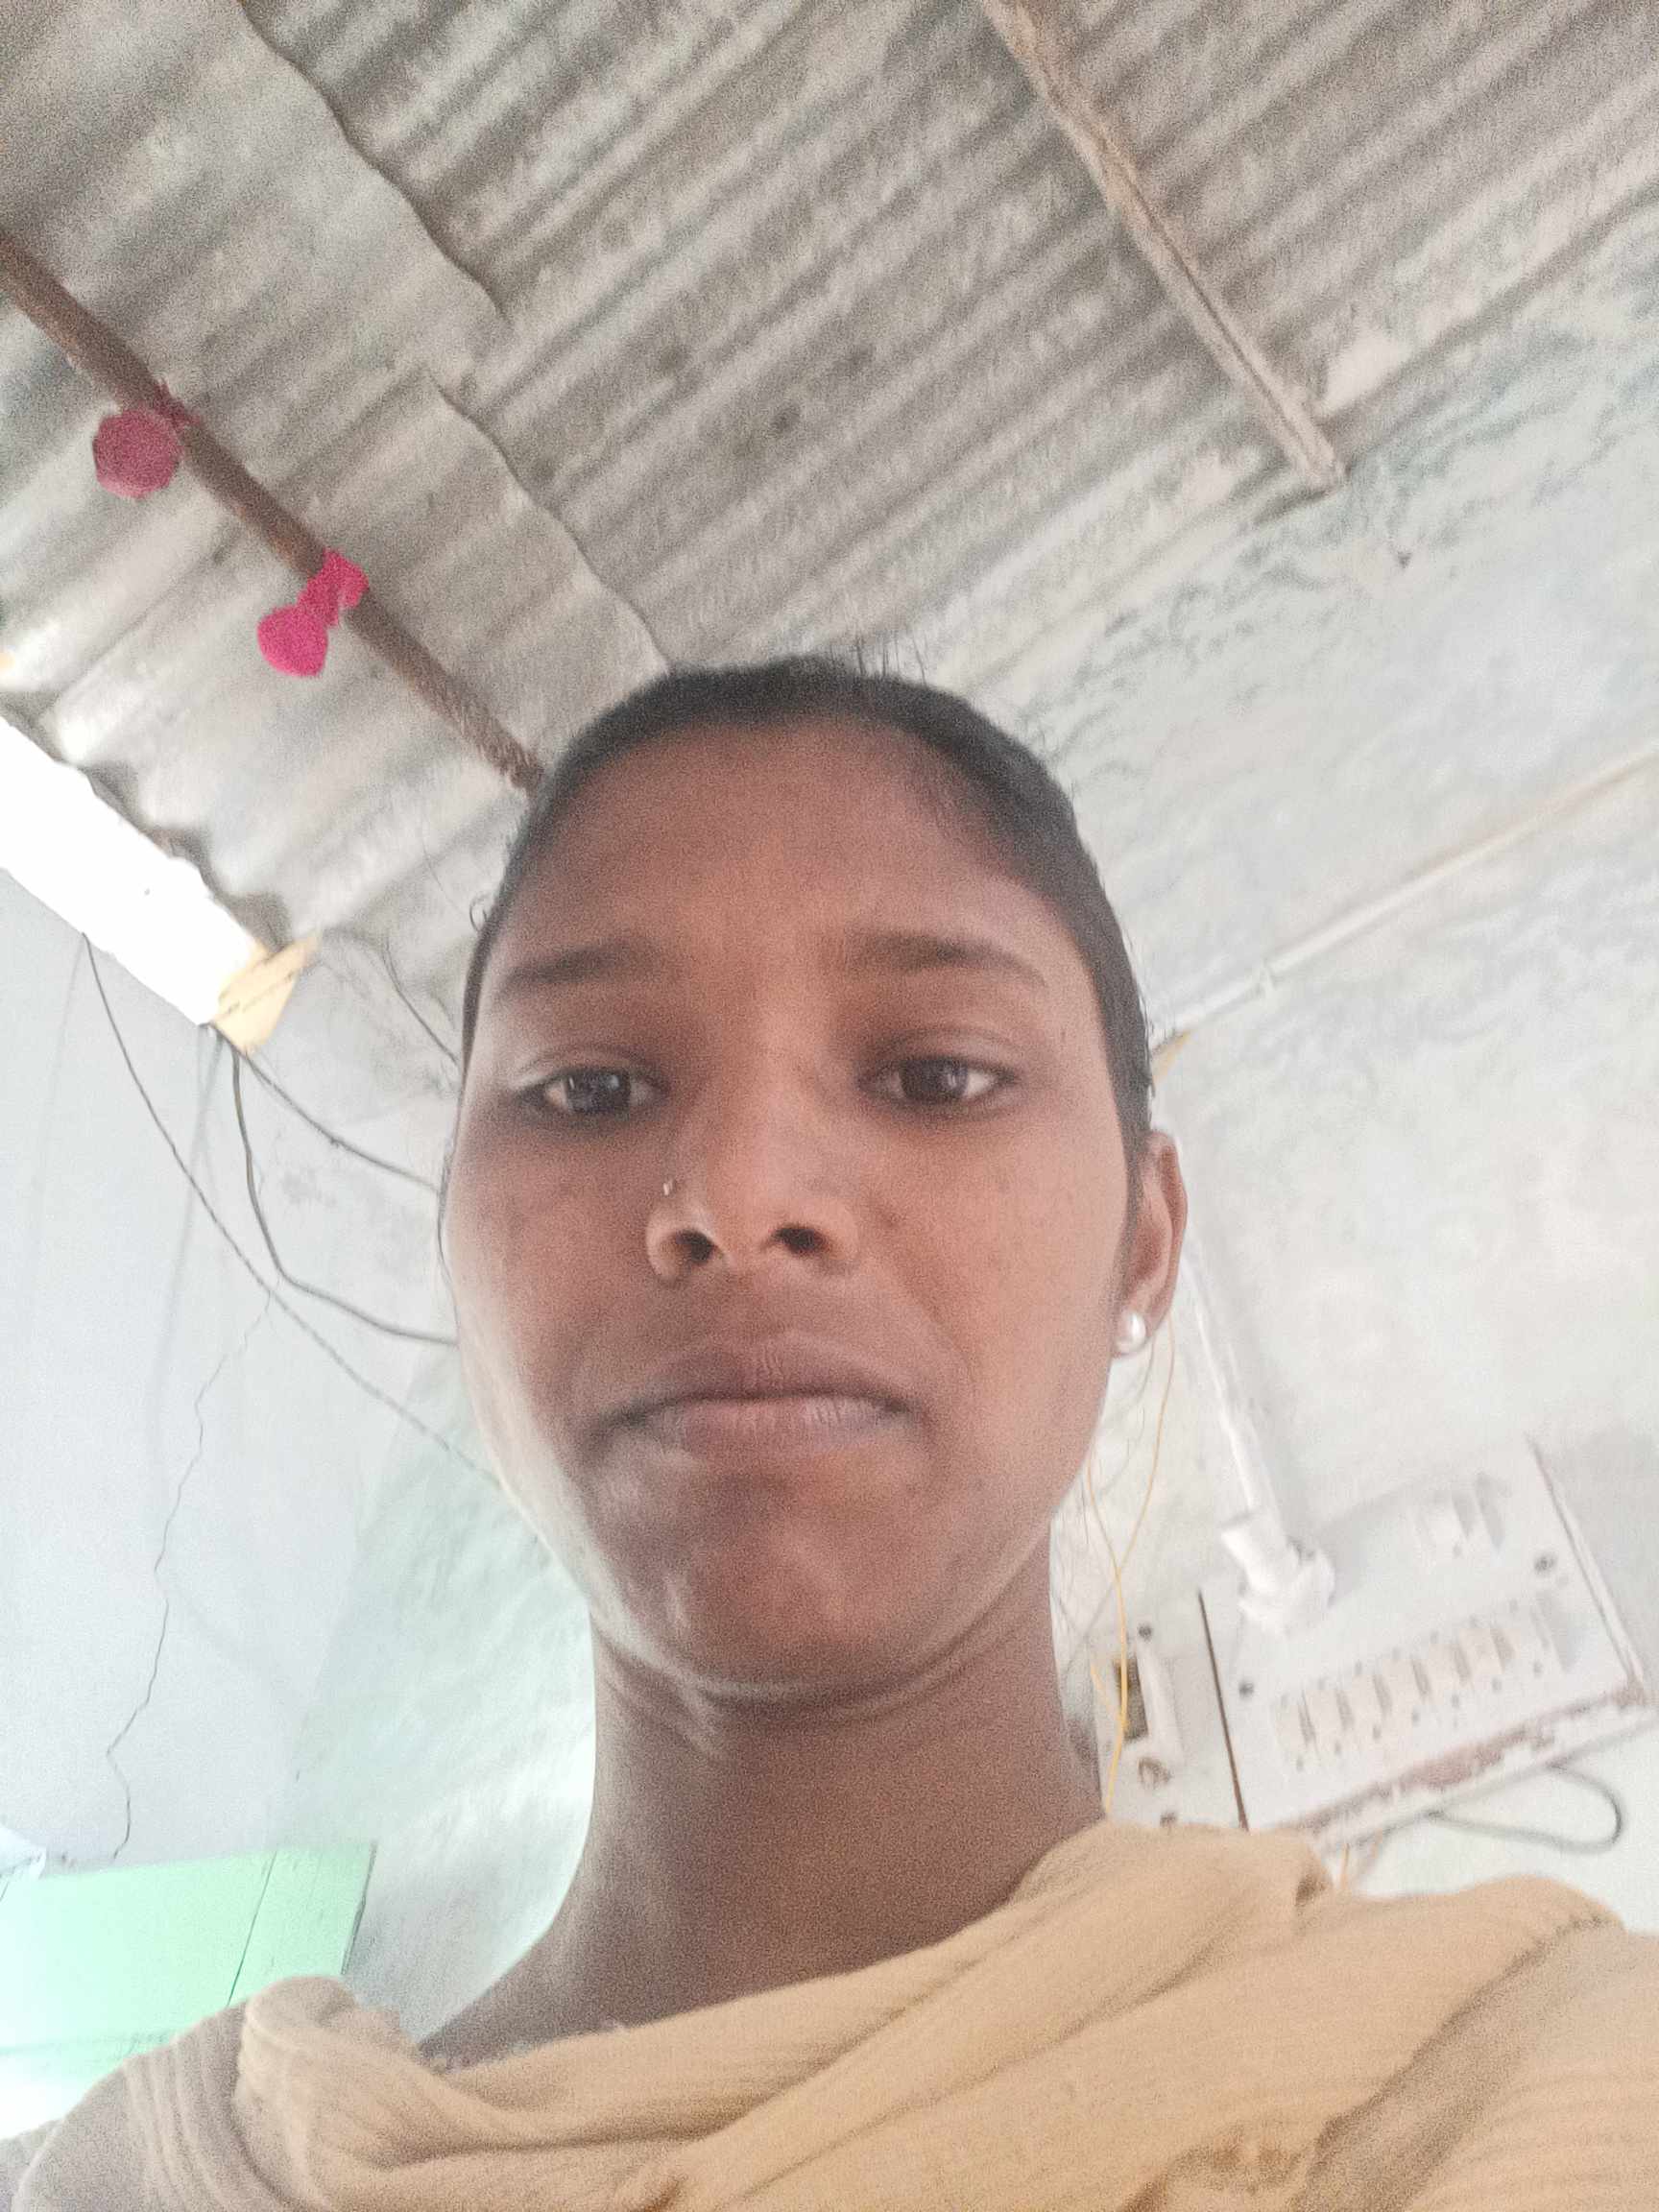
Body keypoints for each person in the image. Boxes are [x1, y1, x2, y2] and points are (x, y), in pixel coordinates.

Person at [6, 657, 1655, 2208]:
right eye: (590, 1089)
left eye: (936, 1075)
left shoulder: (1541, 2089)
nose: (738, 1197)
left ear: (1143, 1242)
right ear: (455, 1237)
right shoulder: (142, 2182)